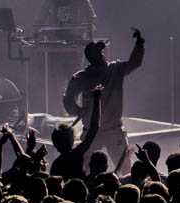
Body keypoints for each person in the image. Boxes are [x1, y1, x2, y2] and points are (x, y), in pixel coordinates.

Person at [62, 30, 146, 172]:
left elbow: (135, 62)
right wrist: (78, 110)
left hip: (114, 129)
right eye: (98, 52)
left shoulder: (115, 69)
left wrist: (139, 44)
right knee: (86, 170)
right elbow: (68, 100)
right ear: (91, 57)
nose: (102, 54)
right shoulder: (82, 77)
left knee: (125, 169)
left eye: (101, 51)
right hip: (92, 131)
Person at [33, 0, 98, 114]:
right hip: (57, 47)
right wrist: (38, 32)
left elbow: (91, 17)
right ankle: (62, 112)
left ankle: (76, 111)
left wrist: (87, 31)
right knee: (59, 82)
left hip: (75, 46)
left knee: (75, 79)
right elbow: (39, 20)